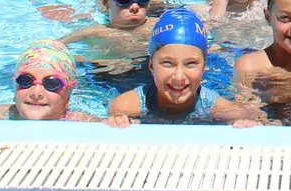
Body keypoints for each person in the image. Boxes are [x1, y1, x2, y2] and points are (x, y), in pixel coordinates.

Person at [106, 10, 260, 126]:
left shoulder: (219, 109)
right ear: (151, 66)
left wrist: (242, 124)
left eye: (191, 64)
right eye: (167, 63)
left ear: (204, 68)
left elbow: (244, 116)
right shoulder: (125, 106)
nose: (179, 77)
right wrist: (117, 124)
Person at [0, 40, 98, 122]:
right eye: (25, 80)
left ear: (69, 92)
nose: (36, 93)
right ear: (14, 86)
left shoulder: (83, 123)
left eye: (52, 83)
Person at [60, 0, 153, 68]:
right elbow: (50, 49)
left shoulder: (158, 26)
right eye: (123, 0)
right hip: (104, 76)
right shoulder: (94, 33)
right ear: (105, 1)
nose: (135, 6)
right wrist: (98, 62)